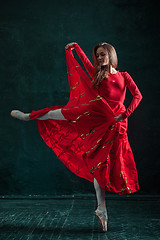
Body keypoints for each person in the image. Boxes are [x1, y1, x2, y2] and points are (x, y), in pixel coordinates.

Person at [11, 42, 142, 232]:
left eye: (103, 54)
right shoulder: (98, 74)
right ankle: (30, 116)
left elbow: (138, 95)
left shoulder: (124, 76)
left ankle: (101, 209)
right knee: (65, 112)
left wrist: (126, 113)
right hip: (97, 113)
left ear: (111, 55)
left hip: (116, 122)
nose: (99, 58)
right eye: (97, 55)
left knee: (103, 163)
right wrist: (77, 49)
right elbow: (87, 65)